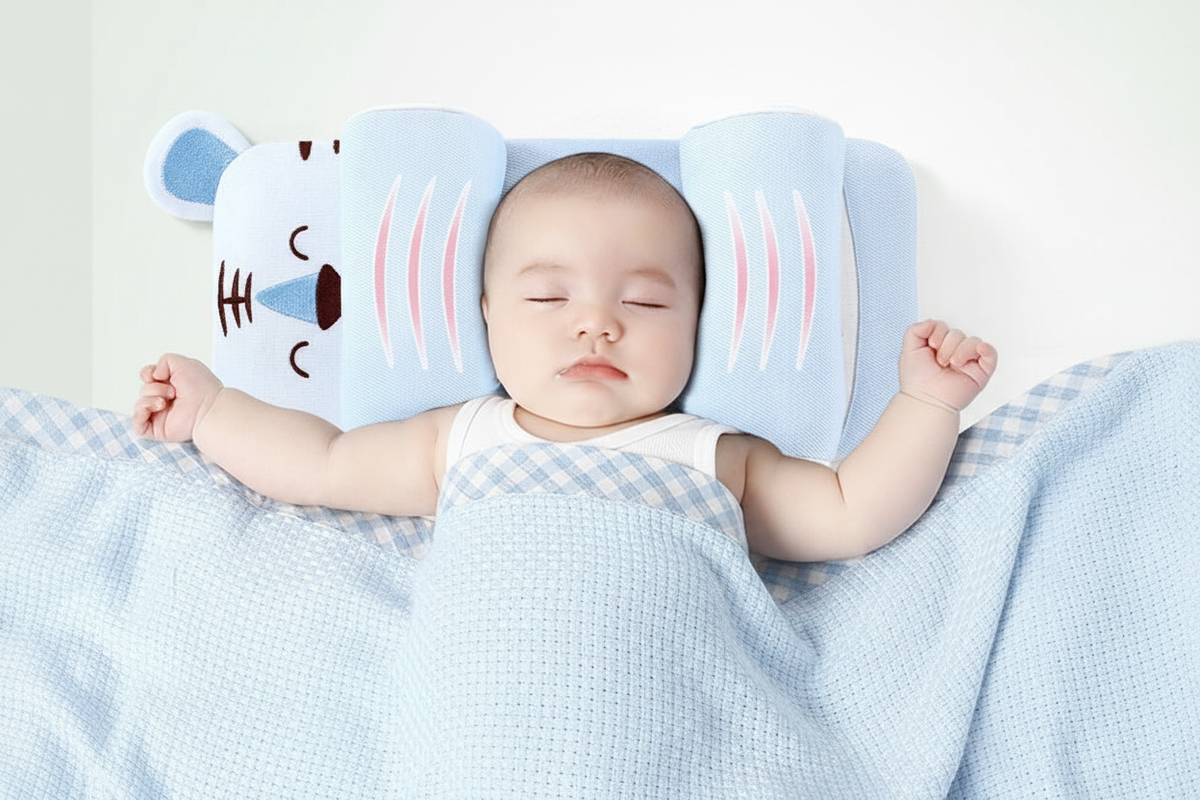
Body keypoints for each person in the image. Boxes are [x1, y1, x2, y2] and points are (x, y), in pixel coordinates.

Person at [134, 153, 997, 562]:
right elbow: (319, 464)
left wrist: (925, 404)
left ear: (700, 321)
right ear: (486, 318)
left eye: (646, 301)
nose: (596, 325)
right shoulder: (460, 440)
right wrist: (211, 411)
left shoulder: (710, 455)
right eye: (549, 298)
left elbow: (849, 513)